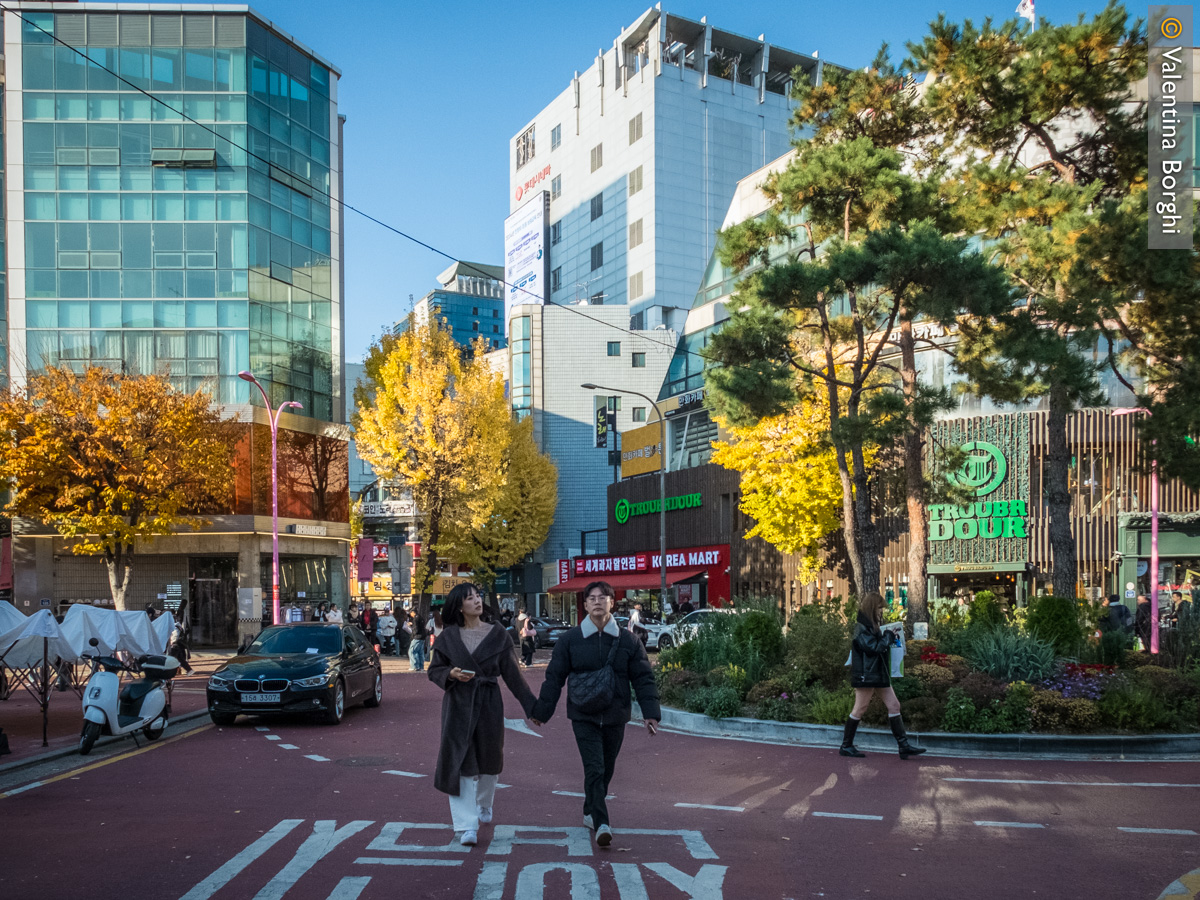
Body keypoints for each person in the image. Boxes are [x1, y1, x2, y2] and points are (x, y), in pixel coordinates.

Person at [531, 580, 660, 848]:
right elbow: (554, 678)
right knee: (595, 767)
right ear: (585, 604)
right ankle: (602, 822)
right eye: (592, 598)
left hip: (616, 714)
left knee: (606, 769)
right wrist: (542, 711)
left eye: (603, 597)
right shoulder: (570, 640)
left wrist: (651, 713)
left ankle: (590, 808)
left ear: (612, 602)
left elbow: (643, 678)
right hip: (583, 714)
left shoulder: (628, 641)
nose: (597, 601)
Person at [429, 583, 536, 848]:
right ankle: (466, 826)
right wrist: (450, 674)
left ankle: (484, 802)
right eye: (469, 598)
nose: (477, 601)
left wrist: (533, 708)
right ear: (459, 606)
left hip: (488, 701)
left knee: (490, 760)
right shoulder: (448, 637)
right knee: (460, 761)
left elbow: (513, 676)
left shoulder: (498, 634)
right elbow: (434, 670)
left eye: (478, 596)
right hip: (458, 704)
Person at [840, 591, 925, 760]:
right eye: (880, 608)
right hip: (868, 675)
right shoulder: (862, 628)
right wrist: (888, 636)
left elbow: (875, 646)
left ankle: (903, 745)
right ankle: (846, 745)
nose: (882, 611)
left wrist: (886, 636)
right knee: (860, 708)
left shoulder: (867, 627)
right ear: (873, 608)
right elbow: (874, 648)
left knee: (894, 705)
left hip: (875, 674)